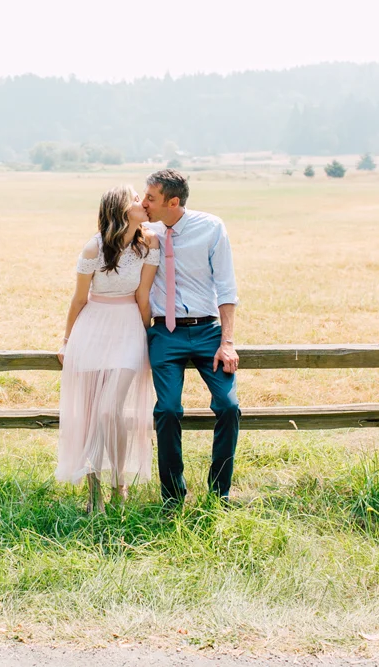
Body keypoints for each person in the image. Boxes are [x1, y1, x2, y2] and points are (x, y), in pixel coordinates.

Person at [56, 185, 160, 512]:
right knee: (90, 416)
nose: (142, 203)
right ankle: (94, 495)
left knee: (109, 410)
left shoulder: (148, 244)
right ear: (120, 208)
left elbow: (143, 297)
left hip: (128, 330)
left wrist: (149, 337)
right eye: (135, 199)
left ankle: (119, 484)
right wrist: (67, 341)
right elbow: (78, 300)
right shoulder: (94, 248)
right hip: (92, 331)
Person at [142, 169, 240, 507]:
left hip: (207, 331)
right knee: (167, 410)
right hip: (164, 333)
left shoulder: (211, 227)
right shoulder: (146, 231)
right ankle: (172, 497)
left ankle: (220, 492)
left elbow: (226, 287)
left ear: (173, 202)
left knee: (229, 406)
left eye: (151, 198)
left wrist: (227, 342)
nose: (145, 203)